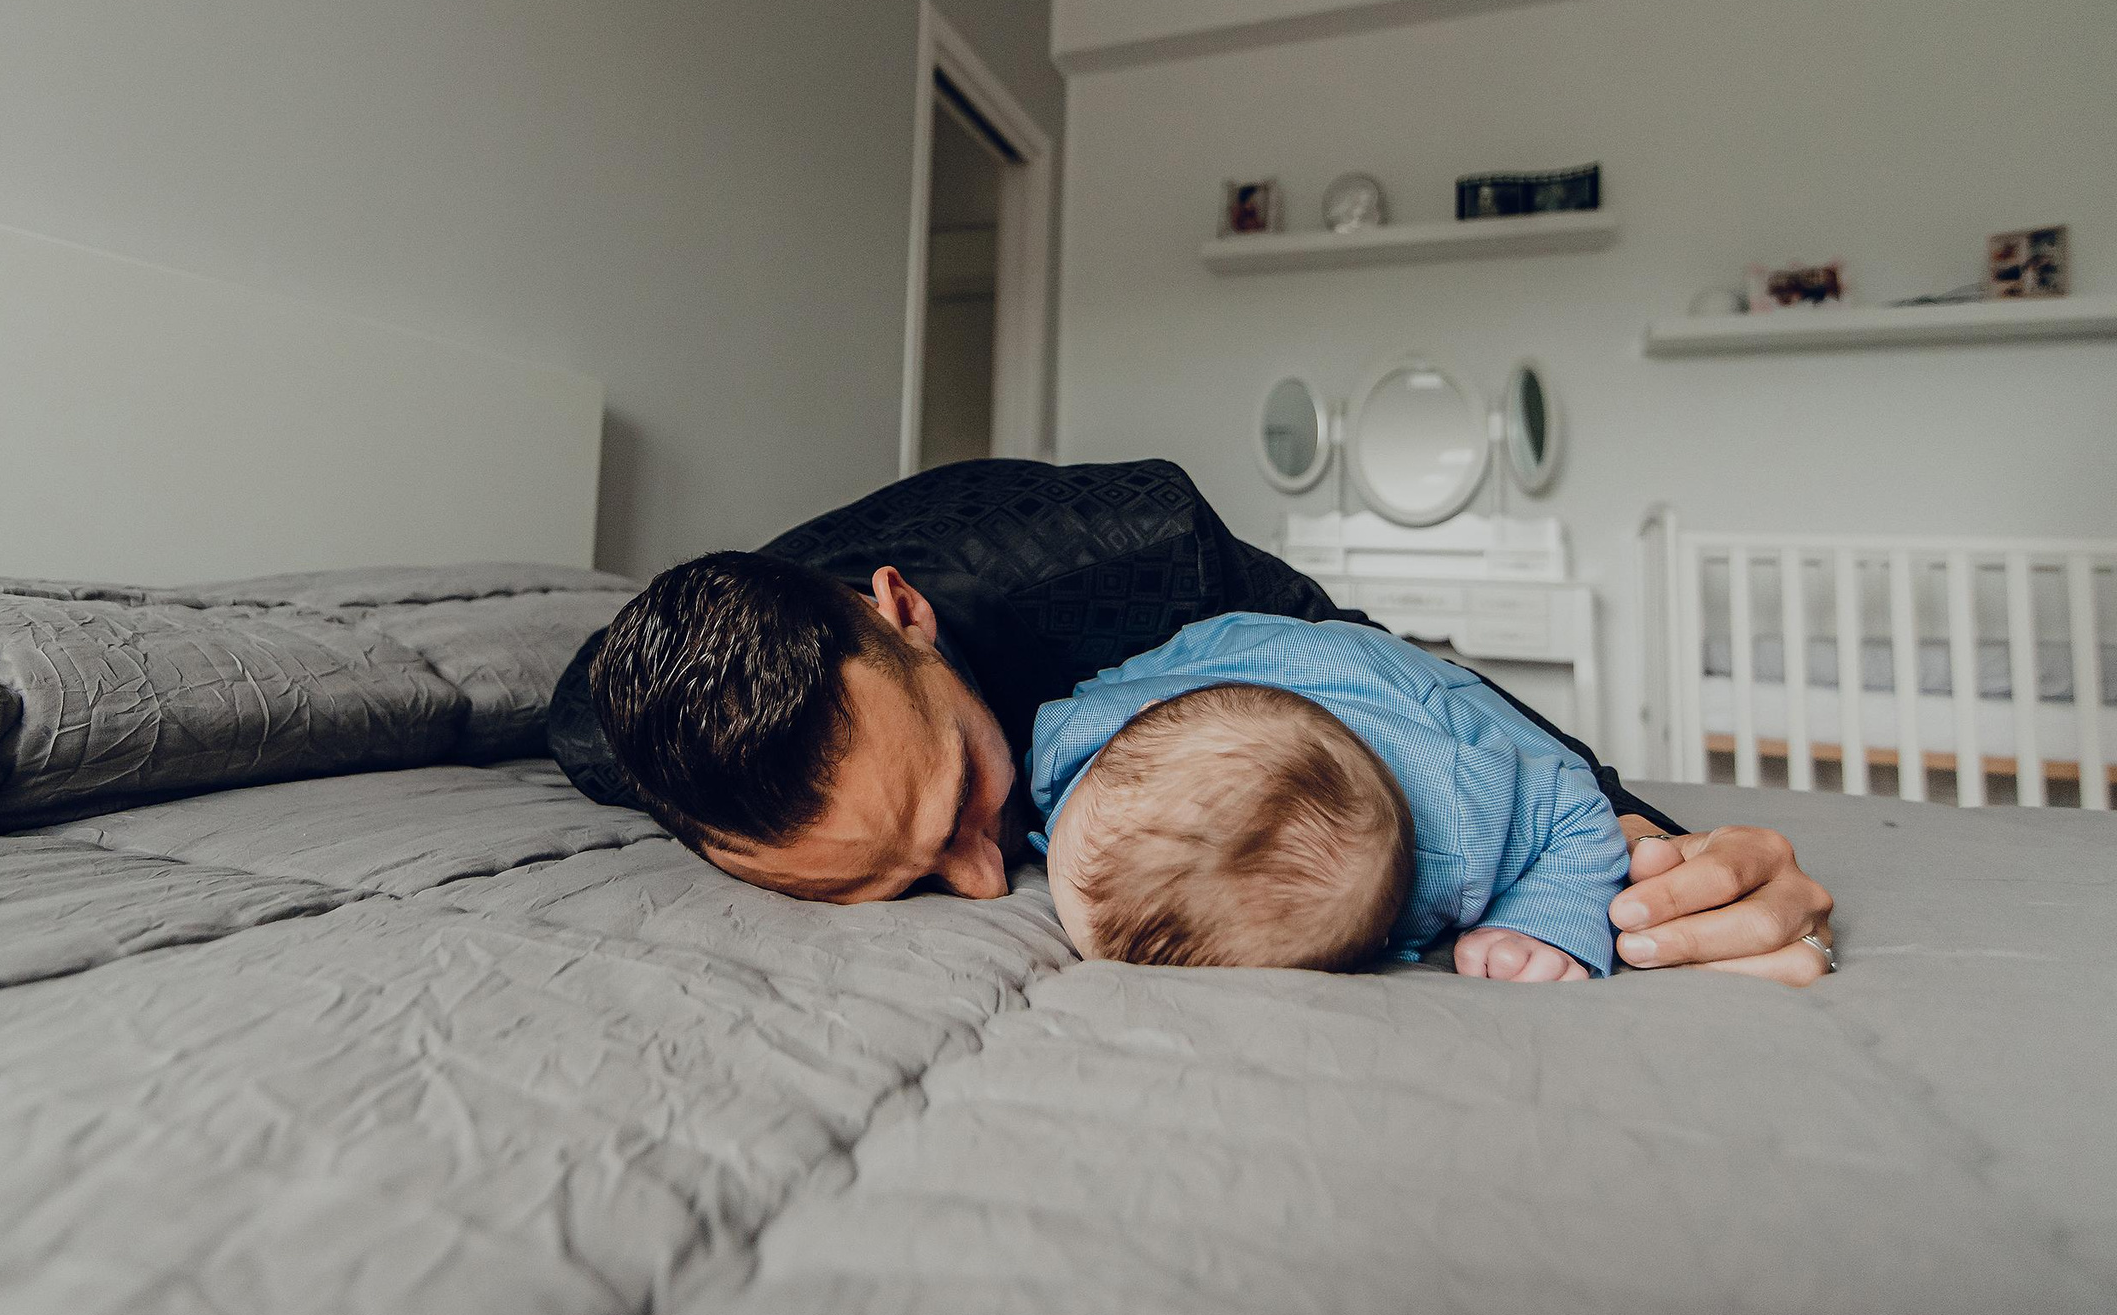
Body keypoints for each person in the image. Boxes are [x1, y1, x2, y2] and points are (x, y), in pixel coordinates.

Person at [548, 458, 1835, 985]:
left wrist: (1649, 850)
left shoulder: (1149, 554)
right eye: (879, 887)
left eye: (957, 808)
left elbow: (1400, 687)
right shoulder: (612, 738)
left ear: (904, 612)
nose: (993, 880)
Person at [1030, 614, 1630, 981]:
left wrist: (1544, 926)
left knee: (1551, 760)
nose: (1050, 825)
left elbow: (1577, 812)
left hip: (1414, 686)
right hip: (1237, 647)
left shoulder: (1466, 818)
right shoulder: (1082, 734)